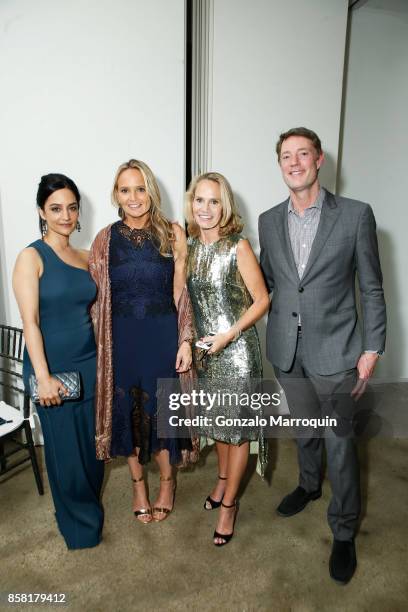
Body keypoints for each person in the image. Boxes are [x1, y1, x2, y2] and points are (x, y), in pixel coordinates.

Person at [258, 127, 386, 584]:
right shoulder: (268, 220)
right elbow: (270, 281)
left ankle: (345, 529)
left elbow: (370, 286)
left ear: (319, 160)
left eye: (303, 154)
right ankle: (309, 485)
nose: (294, 162)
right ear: (280, 165)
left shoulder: (355, 216)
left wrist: (372, 347)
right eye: (286, 156)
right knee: (303, 429)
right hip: (286, 350)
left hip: (337, 351)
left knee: (341, 443)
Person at [89, 159, 196, 524]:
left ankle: (167, 481)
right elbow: (96, 296)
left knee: (164, 415)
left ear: (150, 190)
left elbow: (182, 293)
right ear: (115, 195)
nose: (133, 197)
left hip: (161, 336)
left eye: (139, 188)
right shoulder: (104, 238)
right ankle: (138, 484)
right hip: (121, 341)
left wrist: (185, 339)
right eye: (125, 189)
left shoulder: (172, 232)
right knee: (128, 416)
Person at [13, 173, 104, 549]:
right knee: (66, 453)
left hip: (90, 363)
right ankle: (78, 525)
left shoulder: (86, 256)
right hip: (52, 368)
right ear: (41, 212)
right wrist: (44, 377)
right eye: (56, 208)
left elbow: (99, 312)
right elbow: (30, 322)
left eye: (71, 207)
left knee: (93, 450)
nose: (65, 215)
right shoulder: (30, 257)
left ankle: (88, 505)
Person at [185, 171, 269, 546]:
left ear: (225, 206)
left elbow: (263, 299)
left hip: (236, 352)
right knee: (217, 425)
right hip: (208, 354)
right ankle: (221, 482)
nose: (206, 208)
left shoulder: (238, 246)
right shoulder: (189, 245)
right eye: (200, 200)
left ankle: (229, 505)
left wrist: (228, 335)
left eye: (214, 201)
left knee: (236, 435)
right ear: (192, 204)